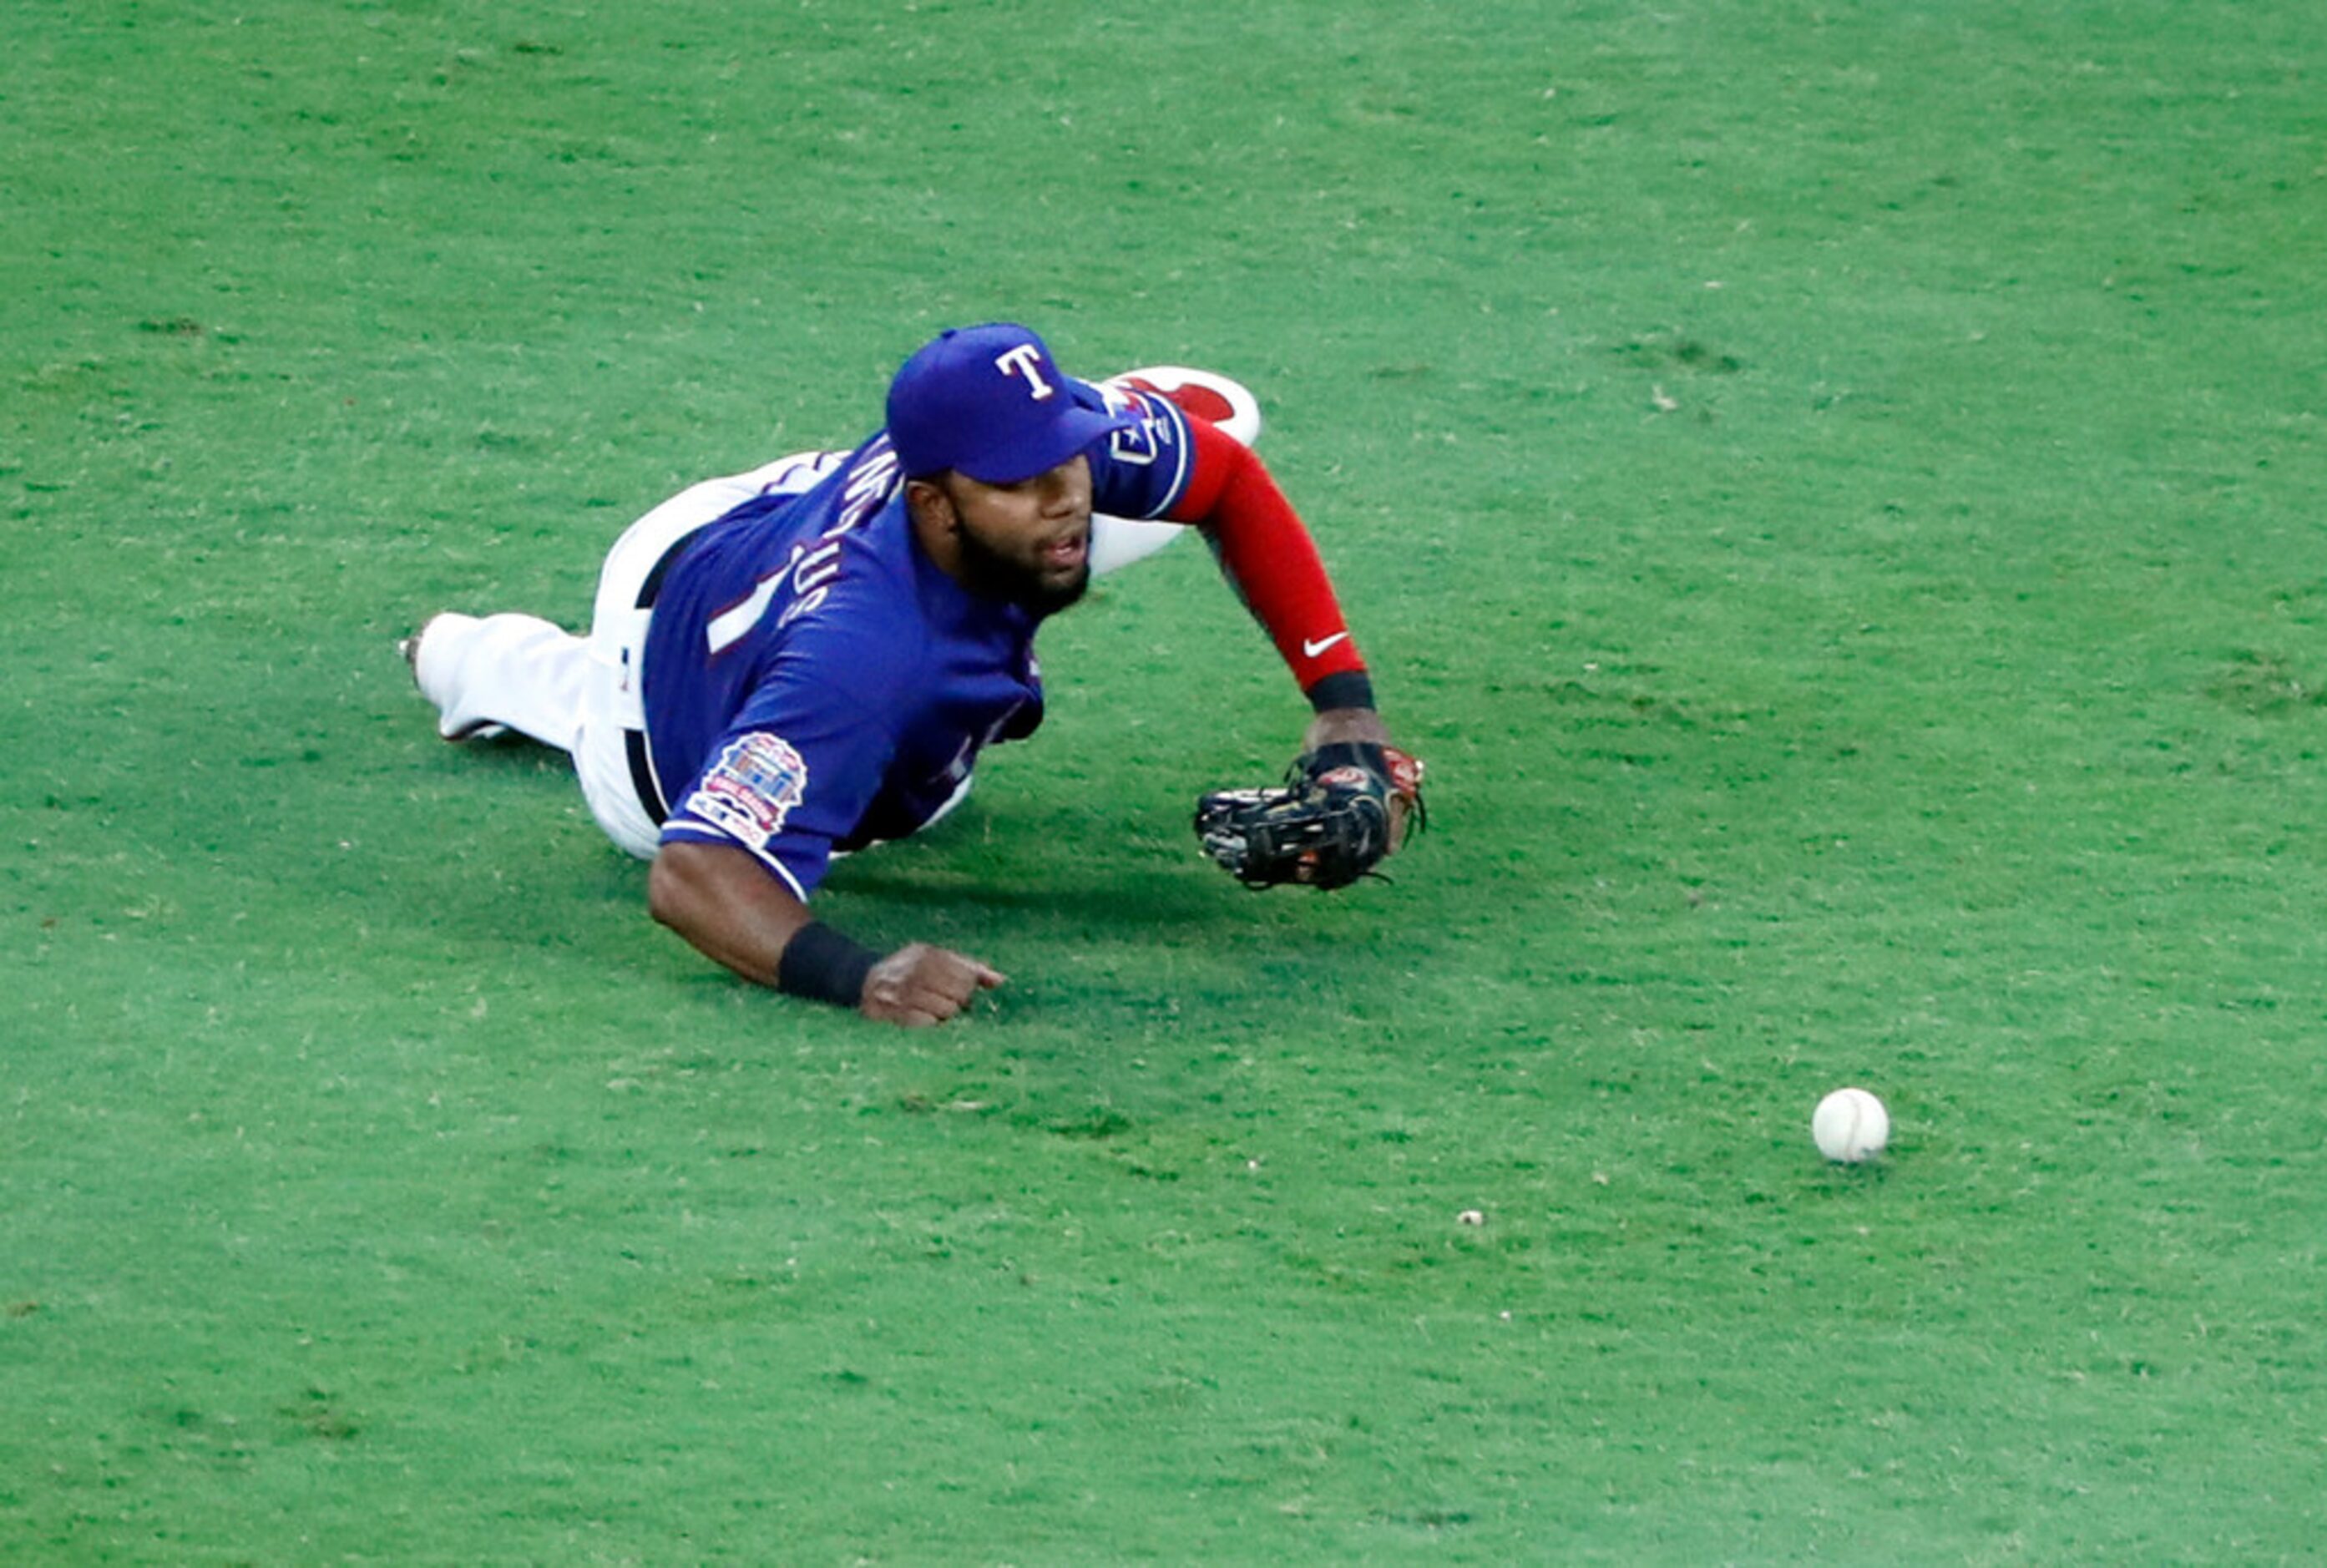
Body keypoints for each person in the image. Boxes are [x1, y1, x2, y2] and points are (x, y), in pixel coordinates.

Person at [403, 323, 1414, 1025]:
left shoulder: (1007, 492)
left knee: (1210, 436)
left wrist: (1345, 709)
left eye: (1067, 457)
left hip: (735, 529)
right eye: (1020, 478)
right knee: (587, 695)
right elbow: (693, 875)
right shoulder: (864, 673)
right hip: (655, 750)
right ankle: (473, 661)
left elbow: (1226, 482)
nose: (1064, 495)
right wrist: (863, 976)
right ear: (935, 501)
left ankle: (1113, 435)